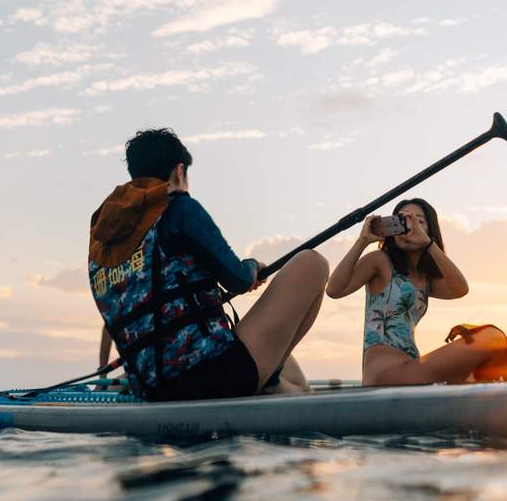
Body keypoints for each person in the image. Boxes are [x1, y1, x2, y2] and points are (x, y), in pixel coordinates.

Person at [89, 128, 329, 402]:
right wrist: (252, 265)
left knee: (292, 376)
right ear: (179, 171)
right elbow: (237, 279)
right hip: (212, 375)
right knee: (312, 262)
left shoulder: (104, 240)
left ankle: (272, 381)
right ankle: (268, 382)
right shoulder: (179, 208)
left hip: (151, 386)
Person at [326, 198, 507, 385]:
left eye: (418, 222)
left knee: (469, 378)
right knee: (492, 337)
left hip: (411, 367)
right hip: (384, 373)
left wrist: (428, 244)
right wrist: (362, 241)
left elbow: (460, 289)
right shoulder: (380, 261)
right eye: (401, 221)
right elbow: (335, 290)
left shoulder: (425, 279)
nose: (408, 227)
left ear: (430, 230)